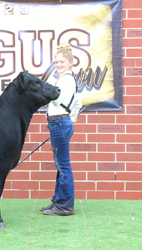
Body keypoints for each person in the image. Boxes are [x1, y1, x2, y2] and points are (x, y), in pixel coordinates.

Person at [41, 44, 82, 216]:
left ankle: (64, 206)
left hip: (59, 124)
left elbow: (57, 102)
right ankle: (59, 201)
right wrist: (69, 119)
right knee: (60, 164)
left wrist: (52, 92)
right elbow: (78, 103)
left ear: (71, 62)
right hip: (59, 124)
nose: (58, 64)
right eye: (56, 61)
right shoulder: (64, 79)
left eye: (62, 61)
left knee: (63, 165)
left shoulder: (66, 80)